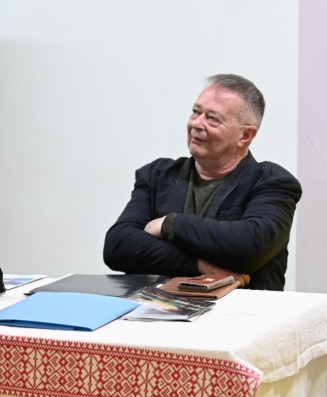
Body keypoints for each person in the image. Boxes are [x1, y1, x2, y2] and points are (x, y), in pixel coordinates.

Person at [103, 74, 301, 291]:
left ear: (245, 135)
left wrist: (169, 225)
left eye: (212, 118)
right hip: (158, 307)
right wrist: (198, 265)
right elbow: (118, 247)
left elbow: (251, 245)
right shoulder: (158, 175)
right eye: (196, 112)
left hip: (239, 309)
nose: (196, 124)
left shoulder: (272, 182)